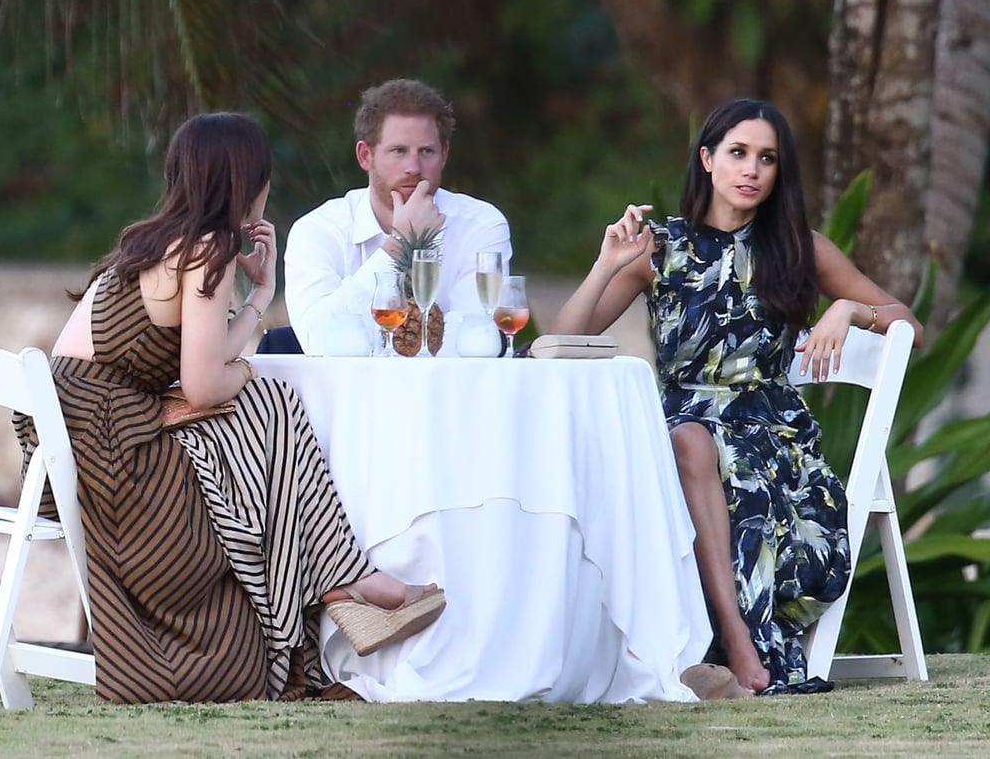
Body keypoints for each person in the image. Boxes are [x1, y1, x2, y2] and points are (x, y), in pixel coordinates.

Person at [15, 112, 445, 704]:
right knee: (268, 405)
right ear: (248, 181)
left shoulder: (157, 241)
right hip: (113, 458)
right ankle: (347, 584)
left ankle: (348, 585)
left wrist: (261, 297)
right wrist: (248, 366)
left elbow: (198, 367)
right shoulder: (206, 250)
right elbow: (204, 384)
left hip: (80, 440)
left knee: (268, 409)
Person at [549, 98, 923, 695]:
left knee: (717, 462)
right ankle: (738, 644)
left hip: (769, 440)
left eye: (767, 158)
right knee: (690, 443)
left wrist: (851, 310)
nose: (751, 169)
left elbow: (909, 325)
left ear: (779, 172)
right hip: (679, 426)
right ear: (708, 159)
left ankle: (716, 651)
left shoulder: (800, 247)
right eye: (738, 153)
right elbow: (559, 346)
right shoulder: (660, 247)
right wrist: (604, 265)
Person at [284, 78, 513, 352]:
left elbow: (477, 342)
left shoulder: (481, 224)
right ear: (365, 156)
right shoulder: (318, 230)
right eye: (398, 151)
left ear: (444, 154)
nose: (413, 167)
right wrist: (399, 243)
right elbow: (318, 341)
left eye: (426, 151)